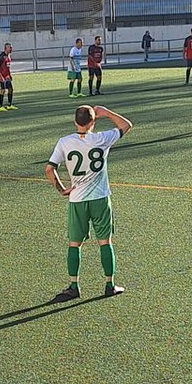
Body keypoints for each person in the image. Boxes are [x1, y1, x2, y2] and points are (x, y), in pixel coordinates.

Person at [46, 104, 133, 301]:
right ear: (93, 121)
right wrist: (107, 113)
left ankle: (73, 286)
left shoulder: (65, 142)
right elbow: (126, 125)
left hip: (77, 199)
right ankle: (110, 284)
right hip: (100, 198)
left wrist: (62, 189)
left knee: (74, 244)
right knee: (105, 241)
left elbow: (50, 169)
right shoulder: (102, 138)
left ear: (76, 121)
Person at [0, 42, 17, 112]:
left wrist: (9, 75)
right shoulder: (2, 56)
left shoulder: (9, 56)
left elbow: (8, 68)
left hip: (7, 76)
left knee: (11, 89)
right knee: (3, 90)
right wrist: (0, 76)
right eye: (10, 47)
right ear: (6, 48)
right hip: (1, 76)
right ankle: (0, 106)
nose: (11, 49)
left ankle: (9, 105)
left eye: (11, 47)